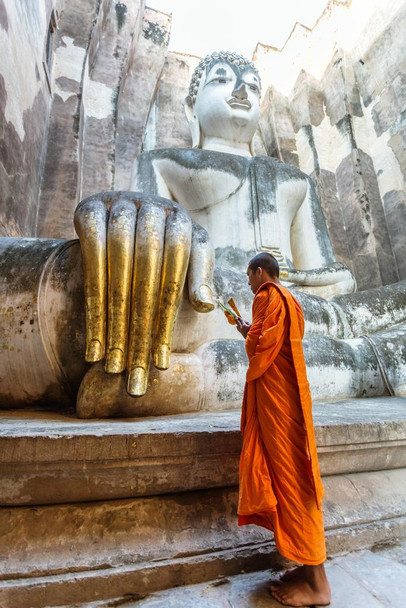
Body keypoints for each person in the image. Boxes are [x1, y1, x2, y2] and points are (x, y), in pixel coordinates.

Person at [236, 252, 331, 607]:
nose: (248, 285)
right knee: (298, 477)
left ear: (261, 272)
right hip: (290, 402)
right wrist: (249, 330)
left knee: (293, 482)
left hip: (278, 406)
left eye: (249, 277)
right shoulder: (290, 299)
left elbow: (260, 350)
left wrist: (249, 337)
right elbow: (274, 345)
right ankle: (308, 569)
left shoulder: (267, 296)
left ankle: (319, 583)